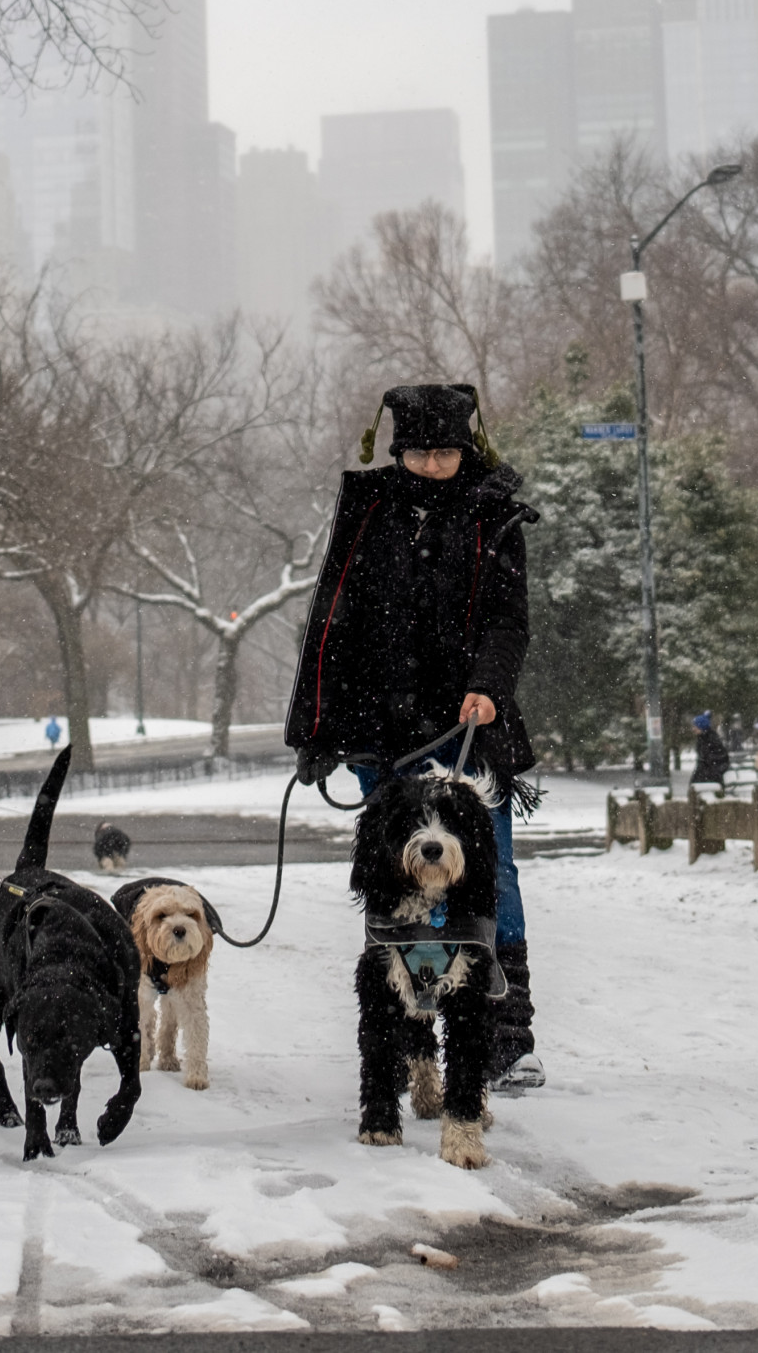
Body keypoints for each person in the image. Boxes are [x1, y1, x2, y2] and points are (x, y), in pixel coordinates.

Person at [286, 382, 545, 1092]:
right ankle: (404, 1034)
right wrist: (315, 727)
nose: (434, 463)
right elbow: (333, 619)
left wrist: (489, 687)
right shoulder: (368, 511)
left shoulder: (496, 513)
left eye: (446, 451)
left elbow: (508, 618)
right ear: (399, 449)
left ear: (466, 448)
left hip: (470, 726)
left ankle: (504, 1026)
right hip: (384, 728)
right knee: (393, 870)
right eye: (422, 451)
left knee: (490, 866)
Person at [690, 711, 731, 788]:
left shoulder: (710, 739)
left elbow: (717, 759)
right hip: (707, 775)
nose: (693, 729)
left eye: (695, 726)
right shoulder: (703, 739)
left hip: (711, 777)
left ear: (701, 727)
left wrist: (706, 772)